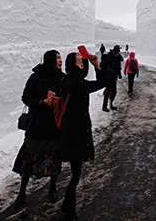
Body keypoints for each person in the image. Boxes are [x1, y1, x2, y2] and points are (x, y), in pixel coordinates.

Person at [12, 50, 65, 210]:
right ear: (50, 60)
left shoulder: (61, 77)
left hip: (55, 126)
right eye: (57, 58)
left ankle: (53, 187)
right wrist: (42, 101)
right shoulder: (36, 77)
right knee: (28, 161)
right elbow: (26, 97)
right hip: (37, 126)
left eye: (61, 58)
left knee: (55, 158)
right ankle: (22, 193)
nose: (60, 61)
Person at [59, 51, 105, 220]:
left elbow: (103, 82)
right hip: (71, 134)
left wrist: (96, 66)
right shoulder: (65, 82)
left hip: (80, 133)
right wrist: (79, 67)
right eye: (79, 65)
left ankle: (68, 209)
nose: (82, 68)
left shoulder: (82, 83)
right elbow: (72, 86)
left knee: (76, 173)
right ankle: (67, 209)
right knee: (75, 173)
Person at [101, 45, 123, 111]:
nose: (119, 53)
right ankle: (104, 106)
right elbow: (106, 66)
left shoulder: (118, 58)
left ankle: (111, 104)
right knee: (108, 91)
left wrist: (119, 74)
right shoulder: (109, 57)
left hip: (114, 77)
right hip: (108, 76)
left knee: (114, 91)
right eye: (118, 52)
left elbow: (118, 67)